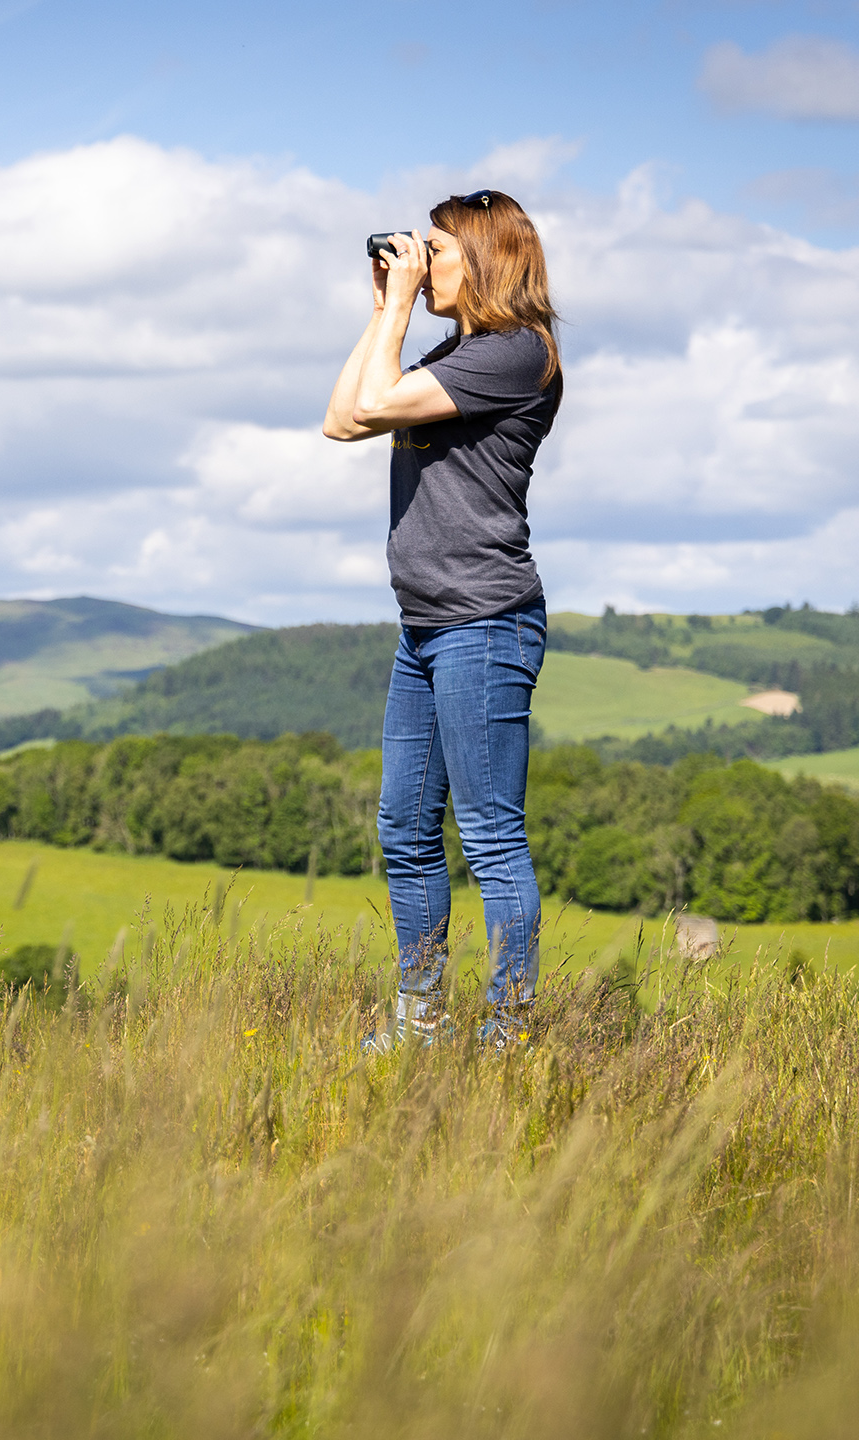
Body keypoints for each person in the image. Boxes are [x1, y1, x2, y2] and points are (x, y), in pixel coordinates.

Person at [321, 189, 562, 1048]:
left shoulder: (516, 353)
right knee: (404, 826)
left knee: (490, 836)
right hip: (424, 626)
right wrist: (381, 311)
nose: (422, 266)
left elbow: (378, 404)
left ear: (485, 259)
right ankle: (420, 1023)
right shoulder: (452, 354)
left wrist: (395, 309)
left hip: (486, 623)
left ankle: (508, 1034)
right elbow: (342, 420)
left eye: (436, 250)